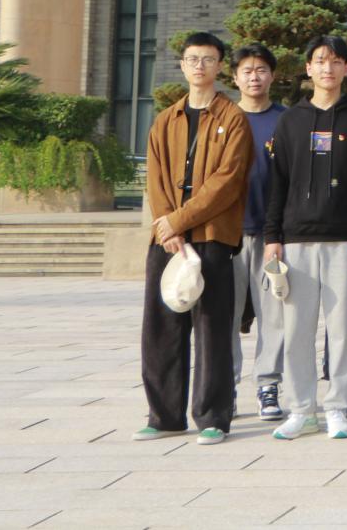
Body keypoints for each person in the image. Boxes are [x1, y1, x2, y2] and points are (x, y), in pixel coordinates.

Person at [264, 35, 347, 440]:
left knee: (343, 329)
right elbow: (277, 183)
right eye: (320, 61)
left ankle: (337, 406)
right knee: (296, 330)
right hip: (296, 241)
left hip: (345, 241)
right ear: (308, 68)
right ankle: (302, 409)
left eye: (335, 61)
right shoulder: (291, 121)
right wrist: (272, 236)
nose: (328, 68)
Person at [135, 31, 252, 445]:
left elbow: (227, 182)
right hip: (166, 240)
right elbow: (154, 178)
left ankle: (213, 416)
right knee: (161, 328)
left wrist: (179, 221)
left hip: (212, 236)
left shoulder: (233, 118)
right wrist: (165, 225)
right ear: (182, 66)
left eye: (207, 59)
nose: (199, 66)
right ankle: (164, 416)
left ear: (220, 66)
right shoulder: (166, 120)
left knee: (213, 329)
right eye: (192, 59)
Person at [228, 41, 288, 421]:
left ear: (272, 76)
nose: (254, 77)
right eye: (247, 71)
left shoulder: (286, 120)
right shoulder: (223, 118)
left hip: (273, 237)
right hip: (228, 236)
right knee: (226, 317)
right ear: (235, 77)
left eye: (261, 70)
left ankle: (268, 385)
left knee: (274, 315)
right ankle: (226, 386)